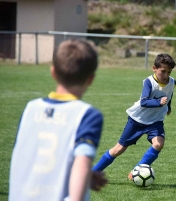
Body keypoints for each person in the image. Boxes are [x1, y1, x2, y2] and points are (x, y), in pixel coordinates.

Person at [9, 39, 108, 201]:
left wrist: (84, 176)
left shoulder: (30, 109)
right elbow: (82, 163)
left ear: (53, 72)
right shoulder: (87, 115)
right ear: (91, 79)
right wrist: (83, 175)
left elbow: (31, 157)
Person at [92, 53, 176, 180]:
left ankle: (136, 170)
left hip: (155, 121)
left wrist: (168, 107)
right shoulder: (149, 82)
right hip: (137, 120)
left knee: (158, 144)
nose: (166, 75)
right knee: (118, 149)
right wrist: (158, 102)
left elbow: (169, 94)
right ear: (154, 68)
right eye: (163, 71)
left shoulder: (173, 82)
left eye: (169, 72)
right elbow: (144, 101)